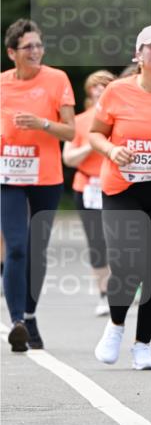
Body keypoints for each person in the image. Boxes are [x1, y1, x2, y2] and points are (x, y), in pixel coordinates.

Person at [89, 25, 151, 370]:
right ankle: (115, 326)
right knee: (128, 264)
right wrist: (112, 150)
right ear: (138, 55)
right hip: (122, 188)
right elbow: (95, 134)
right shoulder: (117, 91)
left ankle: (143, 344)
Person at [1, 18, 75, 351]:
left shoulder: (57, 79)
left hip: (46, 175)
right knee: (17, 246)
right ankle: (16, 321)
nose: (35, 51)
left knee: (37, 250)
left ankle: (30, 315)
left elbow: (71, 131)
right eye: (28, 47)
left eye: (39, 45)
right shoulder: (1, 84)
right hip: (9, 175)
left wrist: (42, 123)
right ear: (12, 53)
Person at [62, 70, 115, 317]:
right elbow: (68, 157)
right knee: (97, 242)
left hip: (116, 186)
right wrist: (91, 144)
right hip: (87, 187)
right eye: (96, 86)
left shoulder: (120, 118)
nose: (101, 89)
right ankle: (104, 295)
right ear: (90, 92)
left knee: (121, 240)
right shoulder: (81, 120)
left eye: (106, 85)